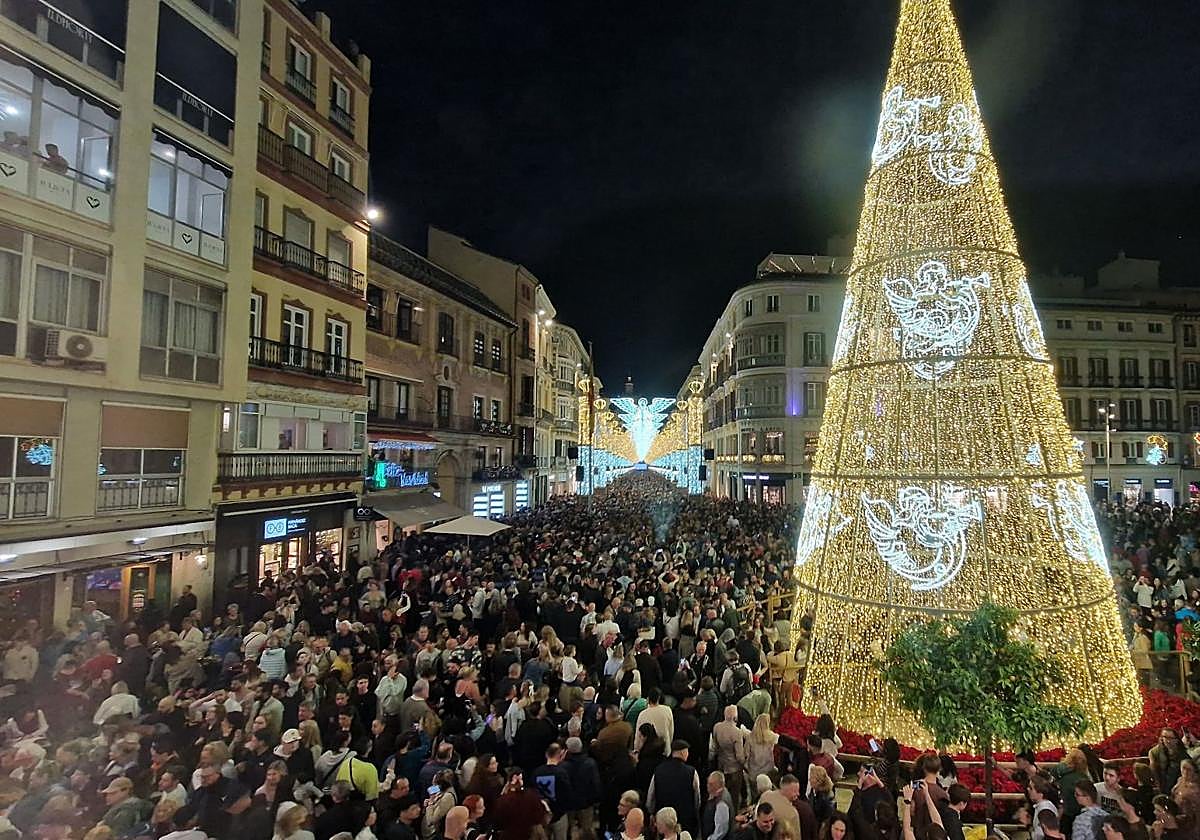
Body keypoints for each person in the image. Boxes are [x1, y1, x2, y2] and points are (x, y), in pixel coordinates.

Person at [648, 740, 702, 837]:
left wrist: (652, 813)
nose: (688, 754)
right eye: (687, 751)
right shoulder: (691, 772)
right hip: (685, 820)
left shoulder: (659, 770)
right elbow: (697, 798)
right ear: (682, 752)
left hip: (664, 820)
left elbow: (651, 796)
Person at [702, 771, 733, 840]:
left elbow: (721, 830)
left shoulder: (721, 804)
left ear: (719, 785)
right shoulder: (717, 794)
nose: (708, 786)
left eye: (711, 784)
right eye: (708, 783)